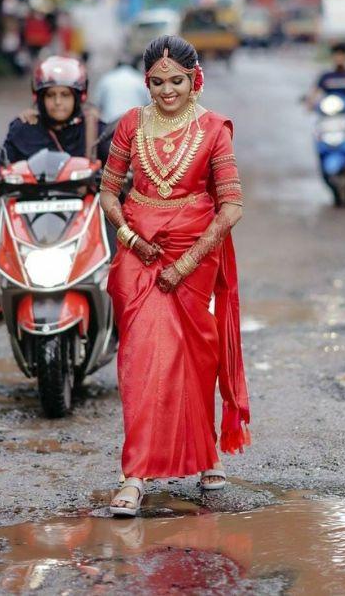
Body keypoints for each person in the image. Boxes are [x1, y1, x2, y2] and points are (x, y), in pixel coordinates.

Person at [98, 35, 250, 516]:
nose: (168, 91)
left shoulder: (212, 130)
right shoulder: (130, 124)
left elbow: (231, 208)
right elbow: (108, 195)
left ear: (194, 79)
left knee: (195, 357)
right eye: (158, 82)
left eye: (177, 81)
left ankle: (206, 453)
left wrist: (185, 263)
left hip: (193, 256)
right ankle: (135, 474)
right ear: (147, 81)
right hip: (138, 256)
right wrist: (130, 238)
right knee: (140, 360)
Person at [0, 56, 109, 334]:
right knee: (6, 247)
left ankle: (120, 315)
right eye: (51, 95)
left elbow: (117, 166)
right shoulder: (24, 128)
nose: (58, 102)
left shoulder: (96, 129)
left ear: (78, 97)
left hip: (83, 212)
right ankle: (2, 301)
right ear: (39, 97)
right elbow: (3, 163)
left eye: (65, 95)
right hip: (31, 211)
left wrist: (119, 179)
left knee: (117, 255)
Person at [304, 41, 345, 109]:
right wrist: (310, 102)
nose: (339, 57)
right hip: (330, 109)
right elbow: (314, 93)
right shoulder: (326, 77)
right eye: (337, 54)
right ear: (332, 56)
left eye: (341, 54)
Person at [91, 56, 152, 123]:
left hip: (109, 123)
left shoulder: (107, 78)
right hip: (134, 124)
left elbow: (96, 104)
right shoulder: (140, 79)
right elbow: (149, 104)